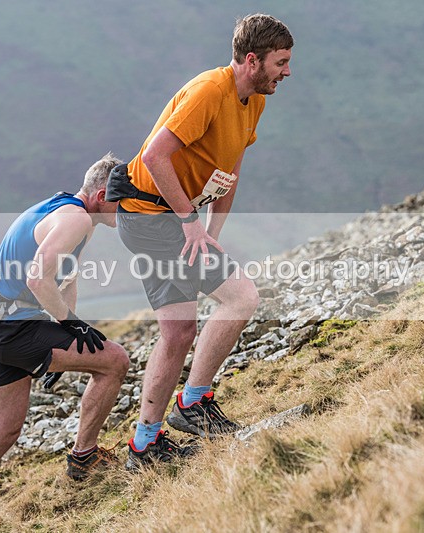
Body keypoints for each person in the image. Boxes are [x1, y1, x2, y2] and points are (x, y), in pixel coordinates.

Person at [114, 13, 293, 469]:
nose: (287, 72)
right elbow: (155, 156)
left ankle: (145, 444)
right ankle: (192, 404)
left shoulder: (254, 100)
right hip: (151, 218)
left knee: (178, 333)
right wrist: (189, 222)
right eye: (280, 62)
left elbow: (229, 169)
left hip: (163, 220)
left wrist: (211, 233)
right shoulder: (209, 91)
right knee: (241, 297)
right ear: (252, 60)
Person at [0, 153, 131, 533]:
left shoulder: (64, 208)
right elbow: (39, 279)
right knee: (115, 361)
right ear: (102, 195)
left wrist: (68, 334)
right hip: (12, 330)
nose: (128, 209)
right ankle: (85, 457)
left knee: (2, 431)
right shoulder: (76, 220)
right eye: (124, 201)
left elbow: (65, 279)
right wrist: (70, 324)